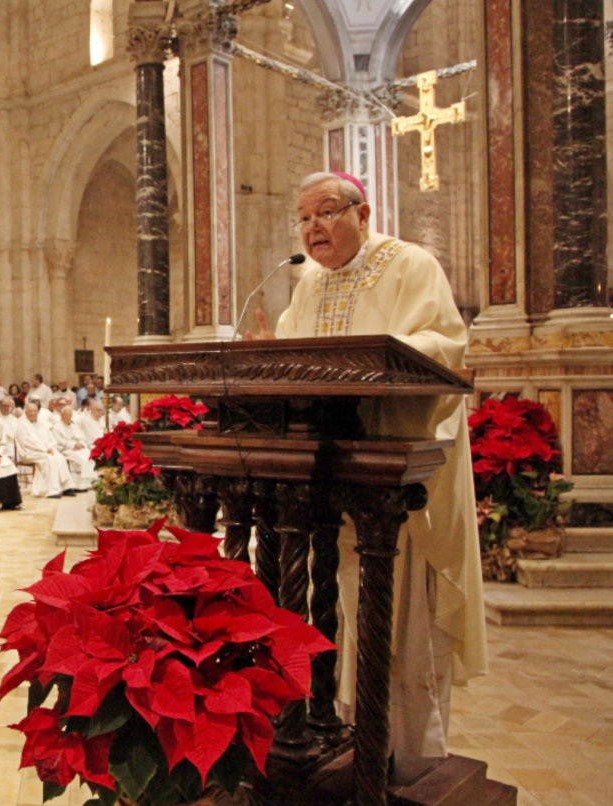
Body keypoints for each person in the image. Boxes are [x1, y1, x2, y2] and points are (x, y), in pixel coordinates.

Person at [245, 170, 487, 759]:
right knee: (329, 600)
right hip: (325, 476)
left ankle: (402, 752)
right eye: (304, 218)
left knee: (394, 617)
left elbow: (445, 345)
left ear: (363, 213)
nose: (313, 227)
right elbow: (298, 367)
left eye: (326, 212)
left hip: (391, 474)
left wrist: (373, 361)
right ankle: (335, 731)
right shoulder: (307, 286)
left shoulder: (410, 265)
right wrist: (270, 356)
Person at [15, 403, 73, 499]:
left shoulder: (42, 424)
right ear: (25, 412)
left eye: (35, 411)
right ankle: (49, 490)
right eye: (30, 411)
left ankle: (66, 487)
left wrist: (50, 448)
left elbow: (52, 439)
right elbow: (27, 443)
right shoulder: (21, 426)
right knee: (48, 459)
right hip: (29, 452)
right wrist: (45, 450)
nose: (33, 413)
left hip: (45, 451)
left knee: (59, 457)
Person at [51, 406, 95, 491]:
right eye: (66, 415)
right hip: (67, 450)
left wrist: (81, 444)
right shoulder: (57, 427)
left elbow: (83, 437)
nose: (68, 417)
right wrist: (73, 445)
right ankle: (78, 485)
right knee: (81, 459)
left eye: (70, 415)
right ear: (61, 415)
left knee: (90, 456)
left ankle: (88, 484)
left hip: (79, 448)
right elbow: (58, 441)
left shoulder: (74, 426)